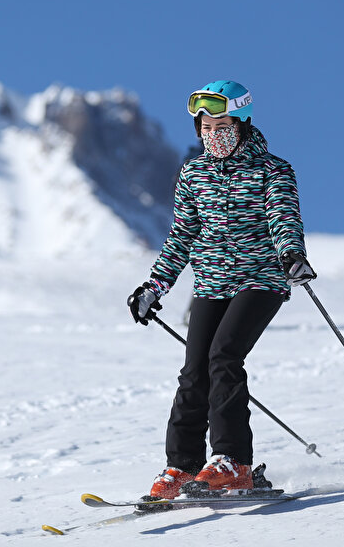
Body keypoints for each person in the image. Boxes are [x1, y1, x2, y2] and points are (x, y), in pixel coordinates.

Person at [128, 80, 316, 497]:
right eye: (206, 127)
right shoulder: (193, 174)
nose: (214, 134)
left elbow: (284, 219)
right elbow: (181, 236)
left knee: (223, 356)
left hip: (261, 279)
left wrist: (291, 256)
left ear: (243, 124)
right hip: (211, 282)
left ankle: (233, 463)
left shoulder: (273, 169)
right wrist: (154, 287)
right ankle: (182, 467)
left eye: (223, 125)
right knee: (193, 372)